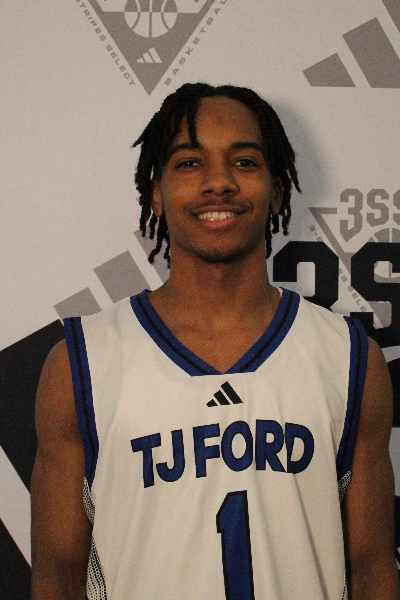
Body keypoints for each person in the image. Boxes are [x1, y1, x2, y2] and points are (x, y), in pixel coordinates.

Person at [31, 83, 399, 600]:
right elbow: (57, 575)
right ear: (155, 193)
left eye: (244, 162)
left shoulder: (349, 358)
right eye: (189, 163)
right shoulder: (82, 363)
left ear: (277, 190)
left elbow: (372, 568)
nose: (219, 183)